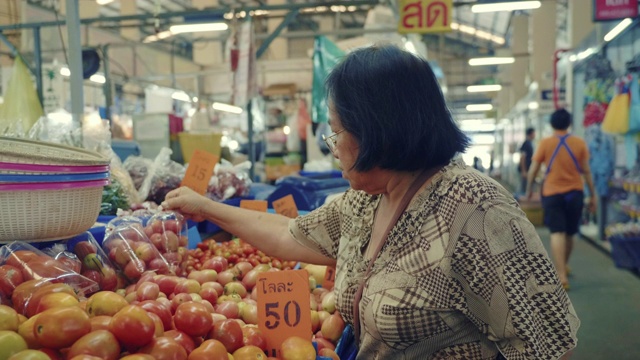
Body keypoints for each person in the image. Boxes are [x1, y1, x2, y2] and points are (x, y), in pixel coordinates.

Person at [163, 45, 579, 359]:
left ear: (377, 131)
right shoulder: (366, 202)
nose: (333, 146)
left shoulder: (476, 209)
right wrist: (206, 207)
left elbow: (547, 341)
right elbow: (288, 234)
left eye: (336, 132)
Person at [526, 109, 596, 291]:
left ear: (551, 124)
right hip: (575, 193)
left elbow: (534, 169)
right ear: (569, 123)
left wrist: (528, 190)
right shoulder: (579, 143)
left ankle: (561, 275)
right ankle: (563, 266)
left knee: (557, 232)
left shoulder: (546, 143)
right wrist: (593, 195)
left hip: (552, 192)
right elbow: (586, 171)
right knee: (570, 232)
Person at [519, 127, 535, 194]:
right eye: (534, 133)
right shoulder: (526, 144)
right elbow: (522, 158)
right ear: (530, 134)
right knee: (524, 188)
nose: (534, 135)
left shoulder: (530, 143)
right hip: (525, 169)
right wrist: (524, 171)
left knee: (526, 187)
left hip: (528, 169)